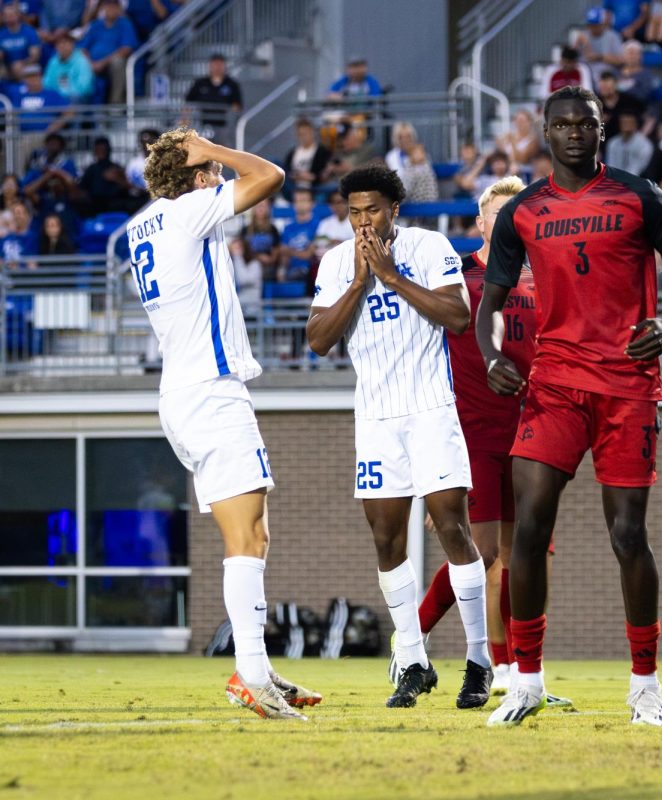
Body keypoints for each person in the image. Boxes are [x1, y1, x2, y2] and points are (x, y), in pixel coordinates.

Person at [476, 85, 662, 727]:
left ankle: (645, 685)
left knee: (628, 535)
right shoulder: (520, 212)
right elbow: (489, 306)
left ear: (602, 130)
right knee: (529, 529)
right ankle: (526, 683)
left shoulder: (638, 195)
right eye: (563, 124)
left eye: (587, 123)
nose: (575, 132)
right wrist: (494, 355)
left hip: (628, 384)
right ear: (543, 134)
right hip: (553, 384)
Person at [129, 128, 321, 719]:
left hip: (185, 392)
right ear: (194, 178)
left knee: (254, 534)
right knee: (244, 539)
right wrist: (211, 151)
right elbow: (269, 177)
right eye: (209, 172)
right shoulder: (188, 209)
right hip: (209, 392)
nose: (218, 180)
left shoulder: (145, 222)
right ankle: (248, 675)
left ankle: (258, 668)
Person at [306, 165, 492, 711]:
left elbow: (458, 317)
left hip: (431, 409)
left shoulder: (429, 246)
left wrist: (390, 277)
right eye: (354, 211)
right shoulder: (337, 263)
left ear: (395, 210)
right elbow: (317, 340)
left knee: (454, 529)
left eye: (373, 210)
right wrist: (361, 282)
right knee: (387, 540)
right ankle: (412, 660)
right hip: (377, 418)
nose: (363, 221)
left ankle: (479, 659)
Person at [416, 176, 573, 706]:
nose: (507, 224)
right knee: (482, 553)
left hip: (534, 430)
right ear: (481, 222)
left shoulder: (547, 275)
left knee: (529, 553)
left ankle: (523, 671)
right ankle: (412, 640)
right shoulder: (456, 274)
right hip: (472, 431)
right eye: (498, 215)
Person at [78, 0, 137, 103]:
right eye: (108, 6)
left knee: (118, 62)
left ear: (119, 9)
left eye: (114, 6)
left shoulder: (125, 24)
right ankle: (79, 106)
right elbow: (82, 48)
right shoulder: (95, 25)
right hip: (92, 64)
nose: (111, 9)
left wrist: (102, 63)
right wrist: (90, 63)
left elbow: (126, 49)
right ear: (103, 8)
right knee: (77, 60)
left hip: (110, 65)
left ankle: (116, 105)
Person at [184, 53, 243, 135]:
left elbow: (237, 106)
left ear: (225, 66)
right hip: (202, 125)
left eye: (220, 64)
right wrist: (185, 118)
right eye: (215, 64)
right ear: (210, 66)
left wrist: (232, 120)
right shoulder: (200, 83)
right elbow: (188, 103)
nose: (217, 67)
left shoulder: (232, 84)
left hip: (224, 127)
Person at [43, 30, 94, 104]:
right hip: (56, 98)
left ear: (72, 45)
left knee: (72, 99)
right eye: (59, 43)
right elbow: (46, 83)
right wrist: (55, 96)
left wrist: (62, 95)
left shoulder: (82, 61)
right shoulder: (53, 62)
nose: (62, 46)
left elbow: (84, 88)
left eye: (65, 43)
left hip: (78, 99)